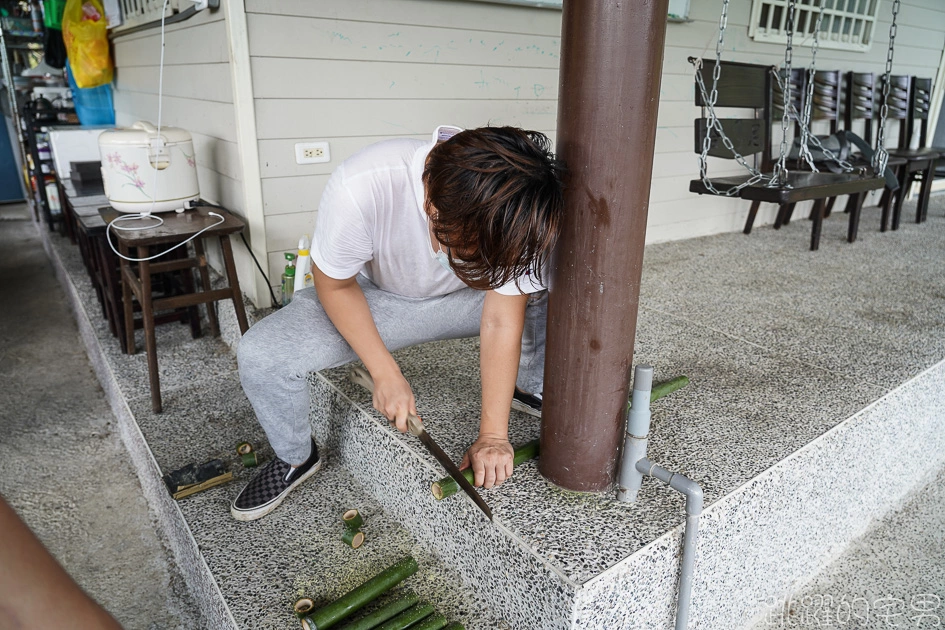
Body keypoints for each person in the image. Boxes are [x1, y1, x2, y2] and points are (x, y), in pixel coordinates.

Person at [231, 125, 565, 521]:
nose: (476, 263)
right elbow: (335, 285)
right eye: (466, 253)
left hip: (472, 304)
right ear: (430, 203)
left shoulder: (514, 206)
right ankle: (295, 457)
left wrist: (493, 434)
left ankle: (526, 386)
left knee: (552, 286)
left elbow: (500, 319)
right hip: (379, 303)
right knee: (261, 355)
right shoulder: (364, 185)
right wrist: (385, 372)